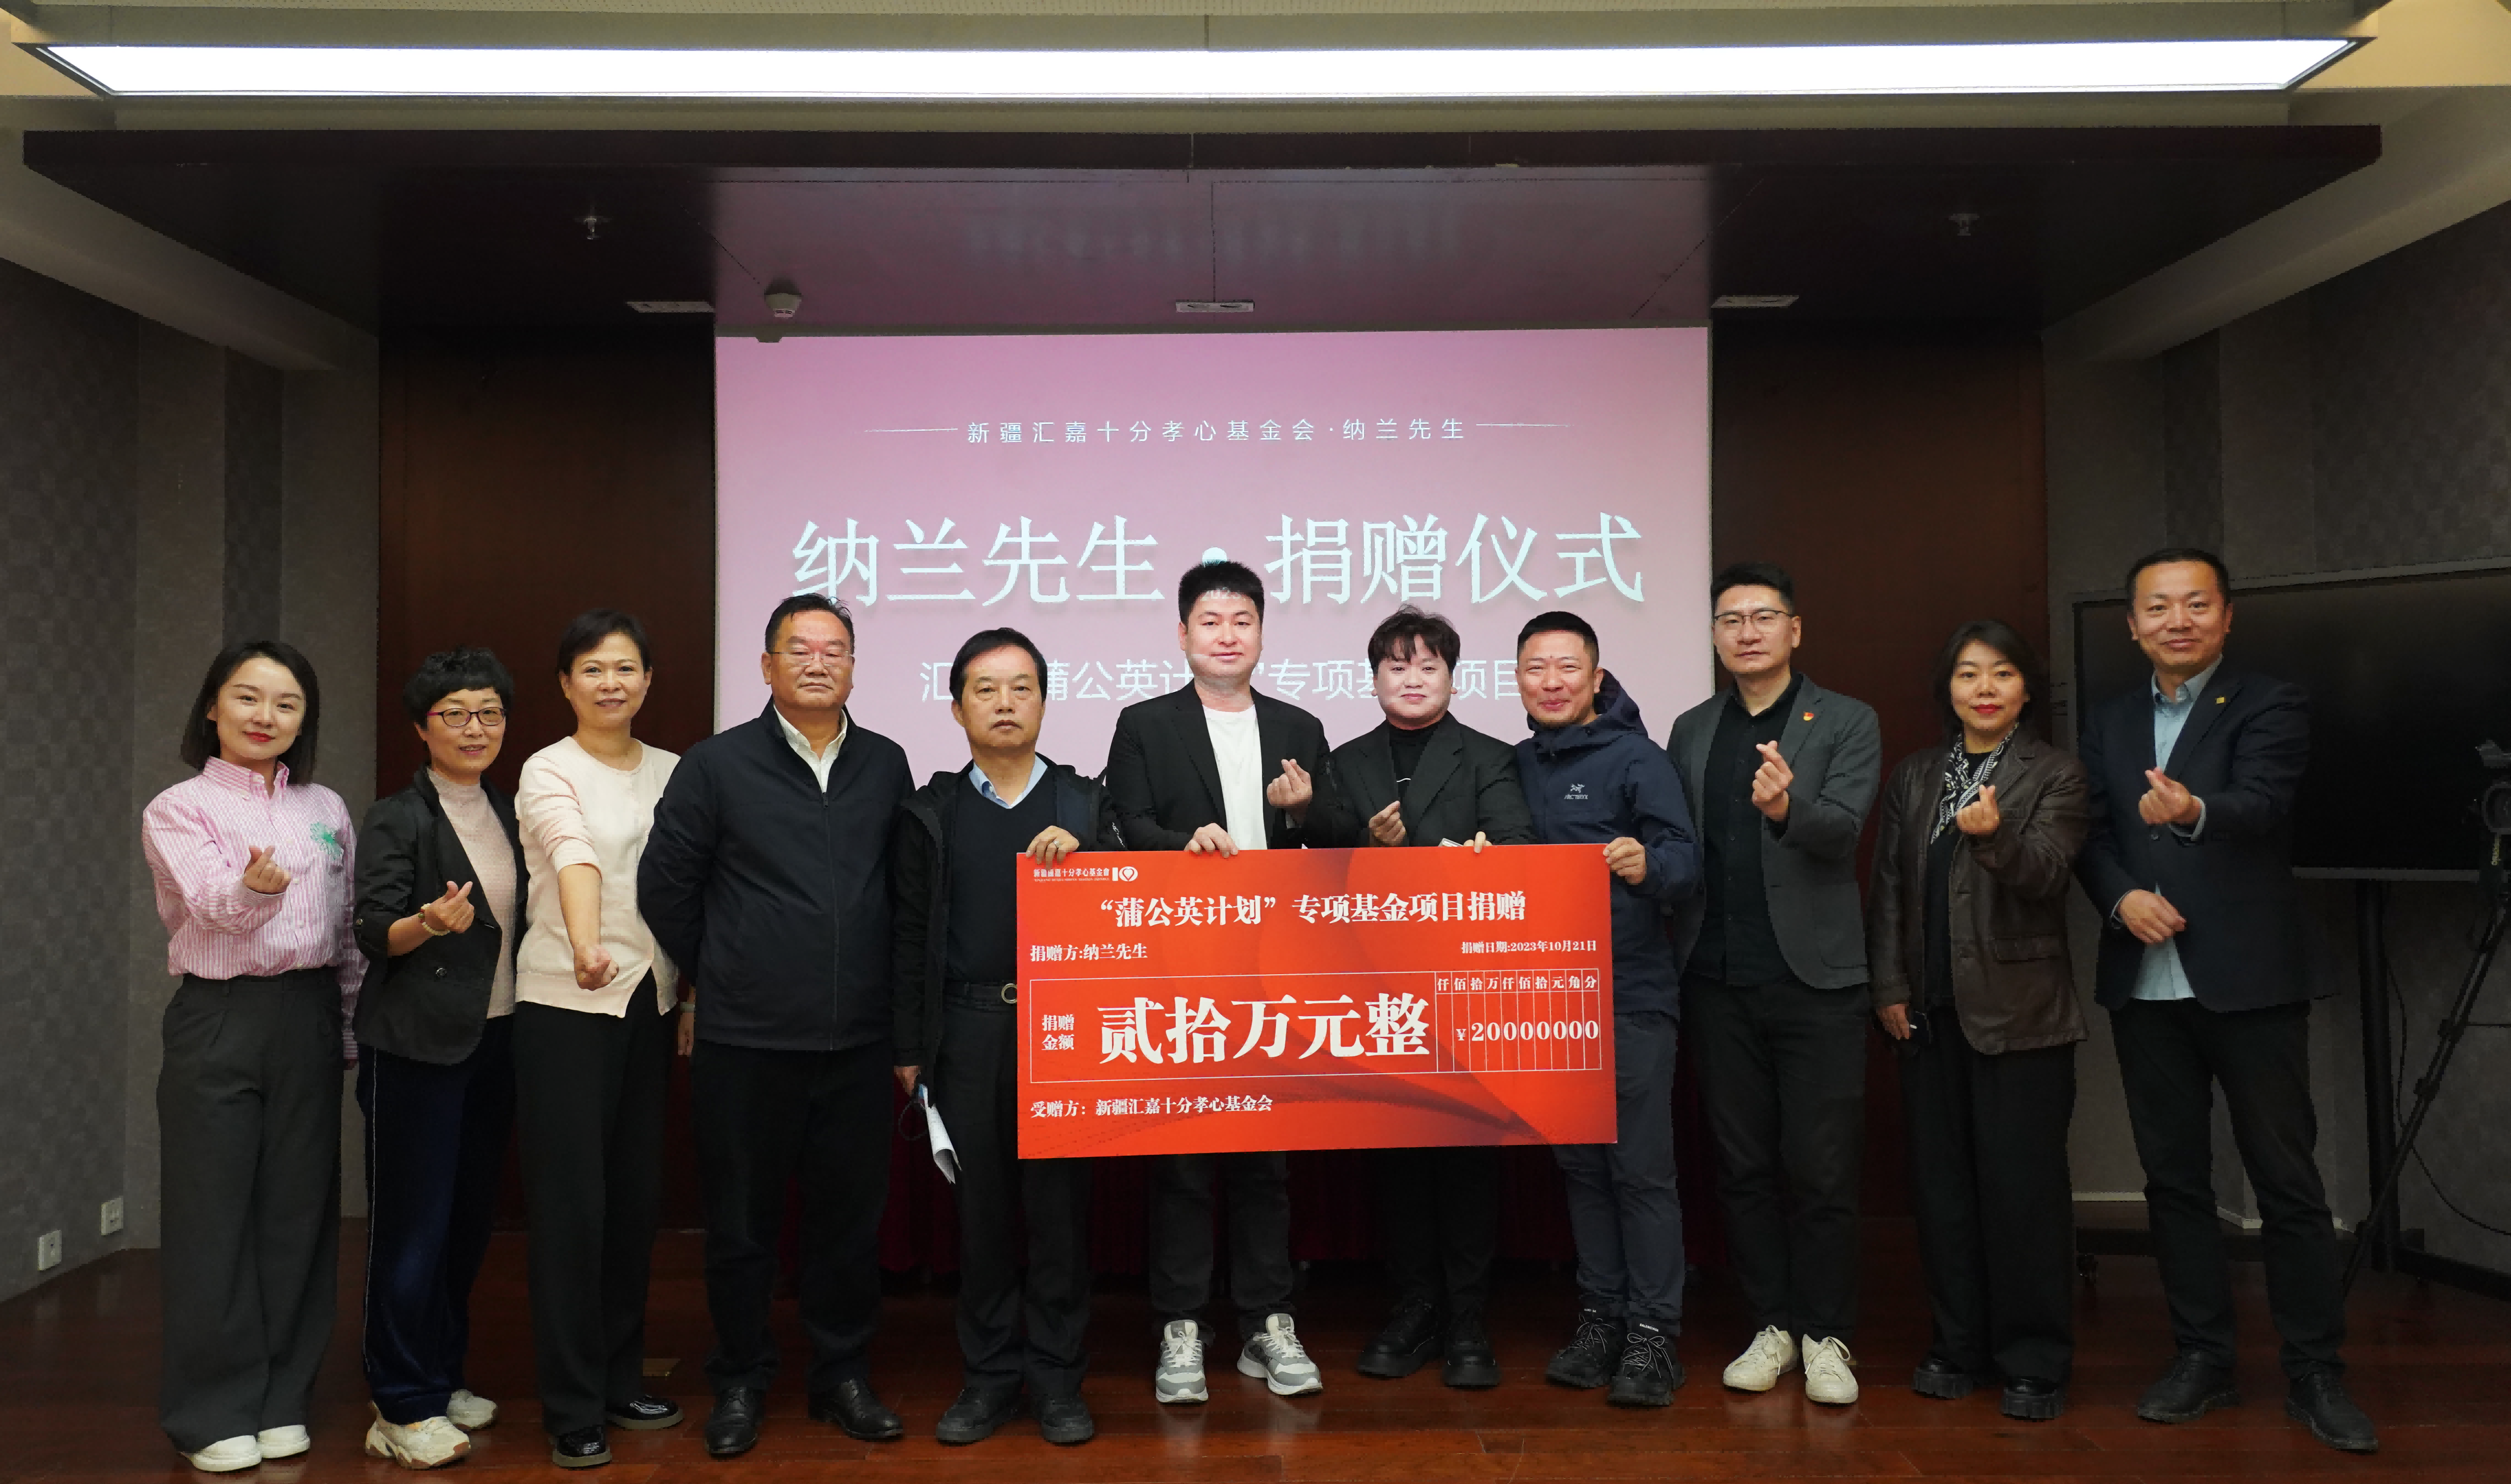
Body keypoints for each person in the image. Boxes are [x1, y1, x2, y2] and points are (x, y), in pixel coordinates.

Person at [2074, 549, 2375, 1454]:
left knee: (2286, 1181)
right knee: (2174, 1181)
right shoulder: (2108, 719)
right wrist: (2121, 898)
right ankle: (2202, 1356)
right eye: (2158, 607)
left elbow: (2263, 801)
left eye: (2196, 604)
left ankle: (2315, 1370)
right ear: (2132, 624)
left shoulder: (2269, 701)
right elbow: (2089, 833)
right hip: (2145, 980)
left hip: (2249, 978)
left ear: (2226, 615)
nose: (2178, 620)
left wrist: (2192, 810)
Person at [639, 594, 914, 1458]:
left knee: (847, 1227)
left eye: (835, 649)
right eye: (799, 648)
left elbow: (903, 891)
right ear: (766, 665)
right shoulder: (716, 765)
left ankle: (842, 1375)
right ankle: (739, 1378)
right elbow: (665, 886)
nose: (817, 662)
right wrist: (729, 967)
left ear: (854, 667)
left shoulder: (885, 763)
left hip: (858, 1042)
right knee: (741, 1227)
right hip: (746, 1042)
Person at [1103, 558, 1330, 1406]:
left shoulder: (1300, 725)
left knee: (1267, 1162)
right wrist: (1183, 845)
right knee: (1185, 1162)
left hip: (1277, 973)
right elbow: (1125, 822)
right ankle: (1182, 1325)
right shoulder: (1144, 723)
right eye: (1210, 621)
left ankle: (1269, 1320)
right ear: (1182, 634)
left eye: (1242, 620)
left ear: (1261, 632)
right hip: (1183, 972)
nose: (1227, 635)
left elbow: (1333, 843)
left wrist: (1301, 812)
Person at [890, 628, 1123, 1447]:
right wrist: (909, 1046)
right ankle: (988, 1376)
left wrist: (1093, 855)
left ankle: (1058, 1379)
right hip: (967, 1027)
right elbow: (908, 933)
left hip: (1065, 1028)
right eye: (985, 689)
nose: (1004, 703)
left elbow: (1137, 901)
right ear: (957, 708)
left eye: (1022, 688)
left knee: (1059, 1214)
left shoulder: (1085, 803)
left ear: (1045, 703)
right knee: (982, 1216)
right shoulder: (931, 811)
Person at [1664, 561, 1881, 1407]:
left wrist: (1789, 809)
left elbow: (1844, 831)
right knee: (1743, 1165)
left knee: (1820, 1168)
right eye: (1730, 619)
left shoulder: (1845, 719)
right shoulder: (1692, 728)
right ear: (1714, 636)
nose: (1746, 632)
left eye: (1762, 616)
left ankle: (1827, 1334)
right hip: (1715, 977)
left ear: (1795, 628)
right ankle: (1771, 1326)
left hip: (1814, 982)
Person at [142, 640, 360, 1474]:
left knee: (298, 1213)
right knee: (213, 1214)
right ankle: (212, 1410)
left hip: (308, 1015)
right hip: (220, 1015)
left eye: (286, 703)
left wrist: (347, 1031)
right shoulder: (179, 807)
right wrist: (255, 890)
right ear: (213, 706)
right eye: (247, 697)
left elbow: (346, 933)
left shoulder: (326, 807)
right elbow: (213, 907)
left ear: (304, 719)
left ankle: (281, 1397)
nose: (265, 716)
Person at [1865, 622, 2087, 1422]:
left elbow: (2048, 876)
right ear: (1948, 689)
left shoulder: (2055, 773)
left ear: (2026, 690)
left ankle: (2034, 1360)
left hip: (2020, 1016)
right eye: (1967, 674)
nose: (1984, 688)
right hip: (1927, 1014)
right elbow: (1889, 886)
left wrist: (1994, 841)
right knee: (1943, 1192)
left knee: (2022, 1195)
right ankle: (1957, 1345)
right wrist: (1889, 985)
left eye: (2001, 674)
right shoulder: (1916, 774)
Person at [1310, 606, 1534, 1390]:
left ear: (1452, 677)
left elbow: (1517, 848)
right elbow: (1317, 872)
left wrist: (1474, 857)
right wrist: (1369, 851)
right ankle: (1414, 1307)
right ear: (1374, 678)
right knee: (1398, 1155)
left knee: (1467, 1157)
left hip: (1466, 987)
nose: (1412, 678)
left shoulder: (1490, 758)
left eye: (1428, 665)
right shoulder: (1344, 761)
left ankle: (1468, 1317)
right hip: (1375, 989)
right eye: (1397, 666)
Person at [1511, 610, 1700, 1409]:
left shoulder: (1637, 757)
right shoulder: (1515, 764)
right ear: (1517, 679)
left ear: (1595, 678)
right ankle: (1601, 1319)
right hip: (1547, 1001)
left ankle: (1654, 1334)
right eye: (1536, 668)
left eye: (1567, 668)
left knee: (1639, 1170)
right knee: (1582, 1169)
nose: (1551, 682)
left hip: (1628, 996)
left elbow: (1686, 861)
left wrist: (1646, 862)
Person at [512, 611, 687, 1468]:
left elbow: (691, 883)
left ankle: (620, 1377)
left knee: (632, 1205)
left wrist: (691, 992)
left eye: (625, 667)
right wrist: (585, 944)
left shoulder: (676, 771)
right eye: (592, 668)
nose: (610, 682)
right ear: (565, 683)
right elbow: (572, 853)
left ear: (648, 679)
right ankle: (572, 1404)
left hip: (650, 1004)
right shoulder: (549, 767)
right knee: (571, 1211)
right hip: (564, 1006)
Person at [351, 648, 528, 1469]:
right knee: (411, 1227)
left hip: (496, 1039)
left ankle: (441, 1372)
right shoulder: (398, 816)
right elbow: (372, 931)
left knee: (464, 1222)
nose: (474, 727)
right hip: (415, 1045)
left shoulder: (510, 810)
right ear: (423, 727)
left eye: (488, 712)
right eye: (454, 713)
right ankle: (399, 1401)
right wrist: (426, 923)